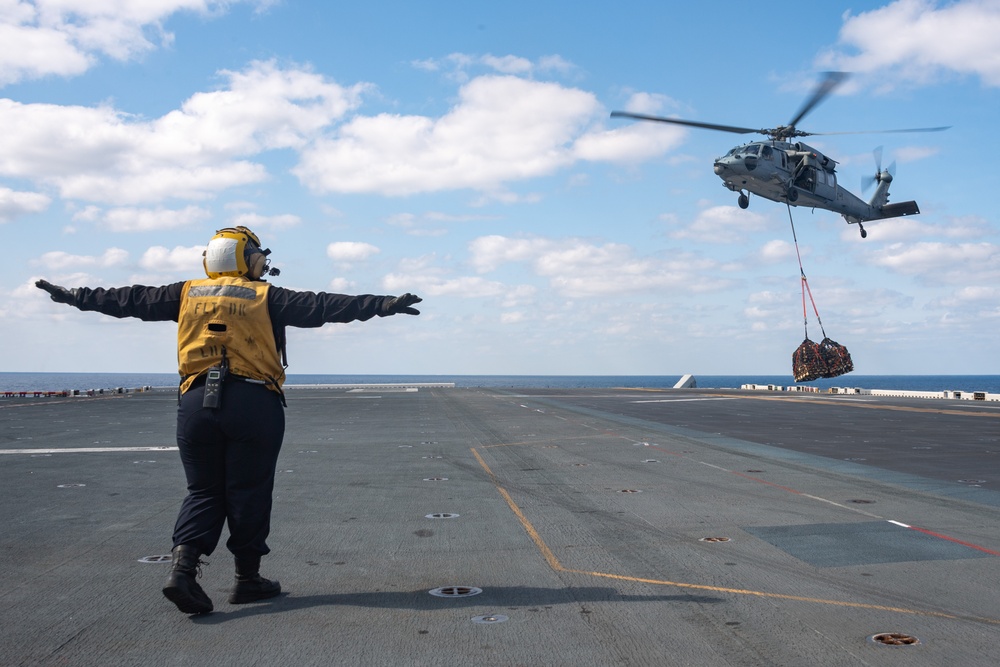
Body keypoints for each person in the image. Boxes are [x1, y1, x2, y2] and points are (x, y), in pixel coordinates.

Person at [36, 226, 422, 615]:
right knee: (249, 490)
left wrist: (75, 297)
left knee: (203, 490)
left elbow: (129, 299)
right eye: (260, 258)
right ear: (249, 259)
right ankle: (247, 579)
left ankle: (183, 570)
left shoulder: (184, 293)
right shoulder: (266, 296)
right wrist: (384, 304)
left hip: (196, 403)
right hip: (252, 402)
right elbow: (324, 305)